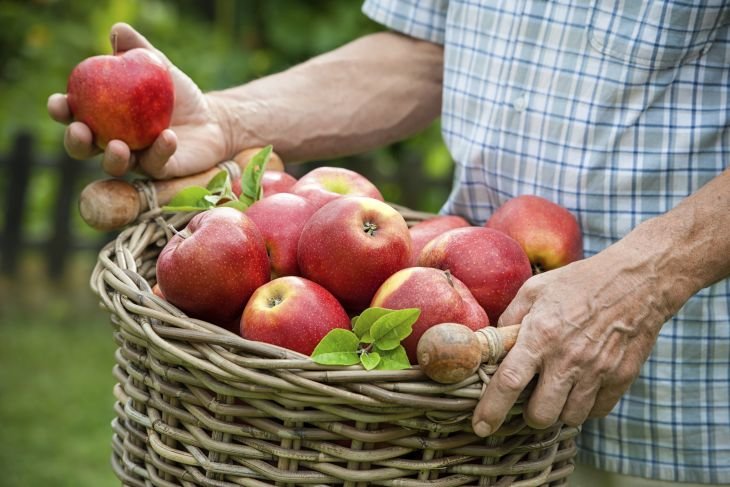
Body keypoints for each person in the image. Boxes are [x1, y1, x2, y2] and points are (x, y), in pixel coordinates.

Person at [48, 2, 729, 485]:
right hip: (463, 406)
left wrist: (651, 277)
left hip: (685, 410)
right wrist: (230, 120)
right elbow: (426, 54)